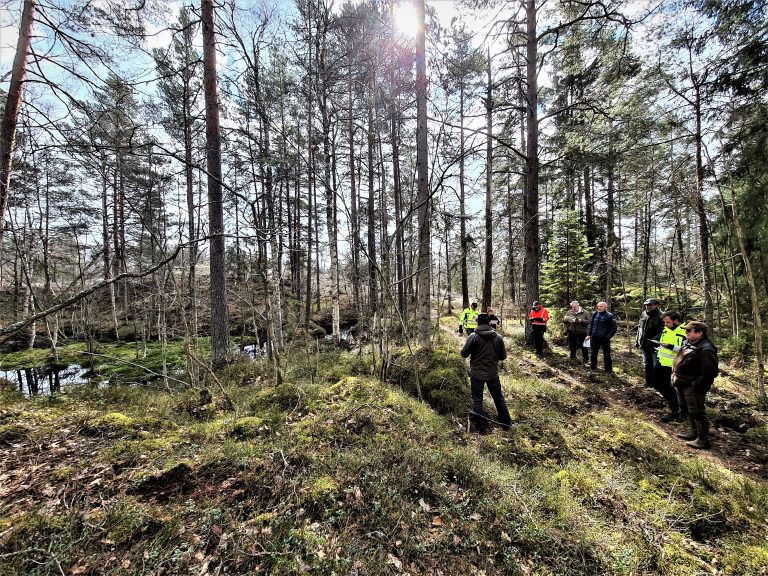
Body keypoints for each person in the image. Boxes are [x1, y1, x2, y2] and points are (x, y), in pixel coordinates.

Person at [460, 313, 512, 435]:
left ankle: (481, 428)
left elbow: (464, 354)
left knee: (478, 400)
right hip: (493, 374)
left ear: (478, 322)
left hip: (476, 374)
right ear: (489, 322)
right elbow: (503, 356)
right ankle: (506, 425)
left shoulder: (473, 336)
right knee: (499, 398)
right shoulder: (498, 337)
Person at [672, 321, 719, 449]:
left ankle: (702, 439)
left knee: (697, 411)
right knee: (687, 409)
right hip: (681, 382)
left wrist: (695, 384)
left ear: (699, 333)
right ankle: (693, 433)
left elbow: (710, 372)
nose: (686, 333)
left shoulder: (706, 349)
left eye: (689, 331)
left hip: (692, 386)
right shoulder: (688, 343)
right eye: (686, 330)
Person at [653, 311, 687, 422]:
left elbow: (687, 350)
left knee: (676, 389)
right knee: (657, 384)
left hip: (675, 365)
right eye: (664, 322)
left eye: (668, 322)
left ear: (676, 321)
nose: (665, 324)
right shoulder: (666, 329)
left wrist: (671, 347)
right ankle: (676, 408)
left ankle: (679, 411)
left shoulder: (686, 331)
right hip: (661, 362)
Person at [637, 298, 664, 387]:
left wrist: (652, 341)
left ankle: (656, 385)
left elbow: (662, 332)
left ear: (656, 305)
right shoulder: (644, 314)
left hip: (656, 346)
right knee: (646, 364)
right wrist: (638, 340)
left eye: (650, 305)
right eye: (647, 305)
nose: (648, 307)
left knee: (655, 365)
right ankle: (648, 383)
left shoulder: (661, 316)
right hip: (644, 344)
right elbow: (640, 328)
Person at [587, 301, 618, 373]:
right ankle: (593, 367)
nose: (599, 308)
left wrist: (607, 337)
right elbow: (591, 325)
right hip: (594, 338)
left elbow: (614, 328)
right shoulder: (595, 314)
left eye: (601, 306)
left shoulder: (610, 316)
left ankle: (608, 370)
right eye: (598, 306)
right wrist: (589, 334)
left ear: (605, 307)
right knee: (593, 353)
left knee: (607, 355)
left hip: (604, 339)